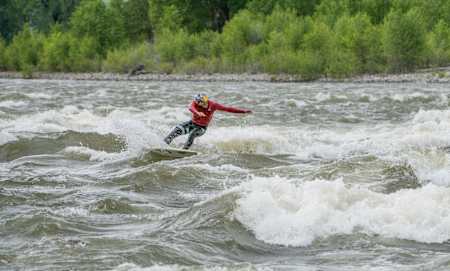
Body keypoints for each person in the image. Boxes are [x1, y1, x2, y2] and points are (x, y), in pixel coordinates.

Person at [164, 94, 252, 149]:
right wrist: (197, 113)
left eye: (202, 102)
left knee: (192, 134)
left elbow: (228, 109)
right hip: (192, 123)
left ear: (205, 101)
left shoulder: (213, 105)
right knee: (176, 130)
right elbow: (191, 108)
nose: (200, 104)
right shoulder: (195, 104)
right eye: (198, 102)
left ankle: (183, 151)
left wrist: (243, 111)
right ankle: (163, 145)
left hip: (201, 128)